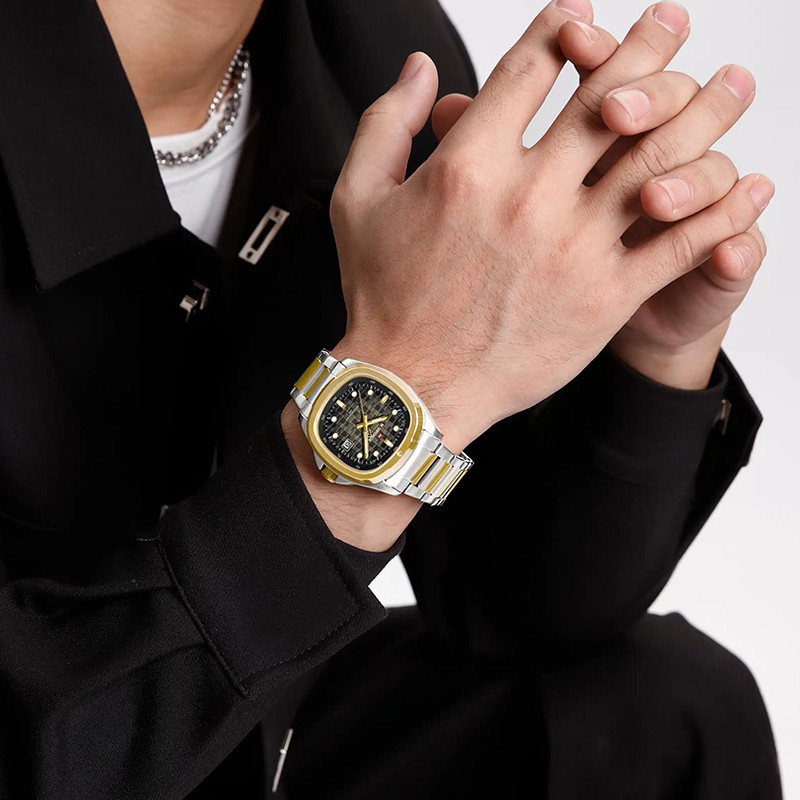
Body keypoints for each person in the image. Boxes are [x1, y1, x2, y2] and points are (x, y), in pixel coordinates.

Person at [0, 0, 782, 797]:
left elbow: (517, 612)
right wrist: (406, 389)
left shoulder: (378, 51)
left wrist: (652, 344)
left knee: (668, 709)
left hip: (254, 735)